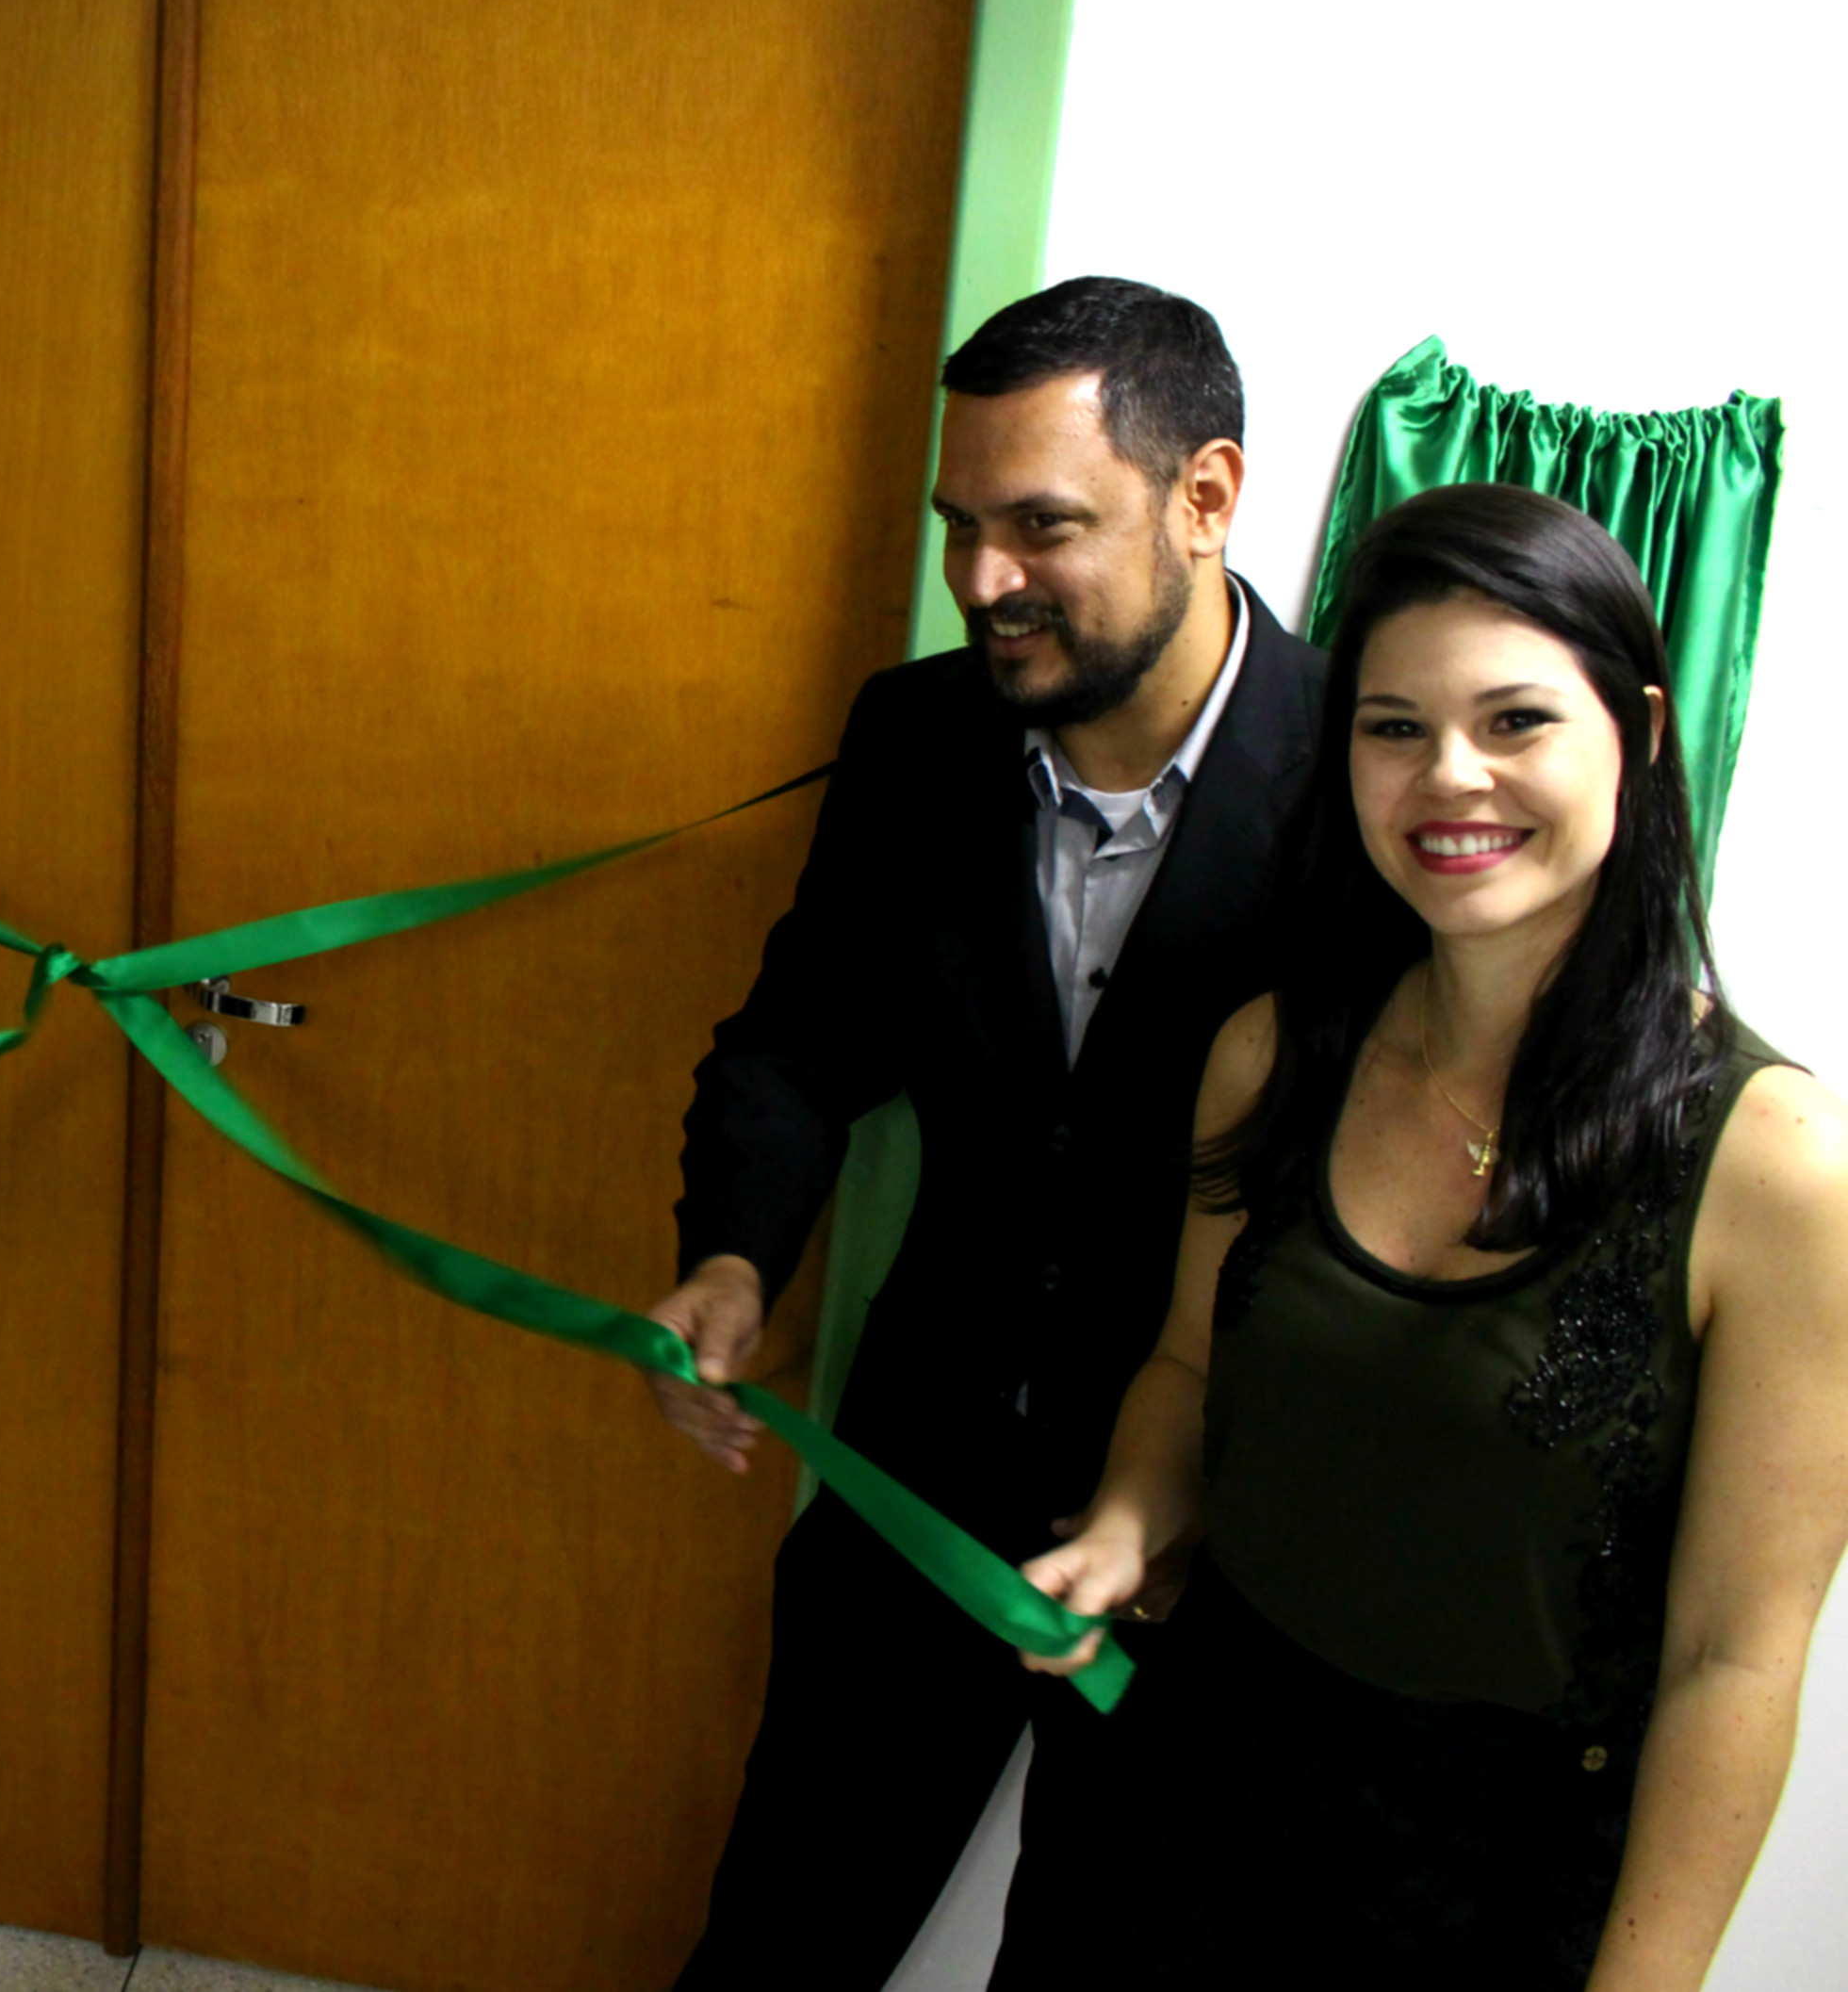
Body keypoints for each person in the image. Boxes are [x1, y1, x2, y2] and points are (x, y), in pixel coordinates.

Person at [1020, 484, 1848, 1991]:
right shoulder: (1271, 1054)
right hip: (1186, 1808)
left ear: (1639, 733)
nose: (1450, 775)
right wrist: (1128, 1525)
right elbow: (1188, 1372)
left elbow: (1734, 1658)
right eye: (1394, 726)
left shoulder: (1777, 1167)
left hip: (1499, 1889)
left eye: (1516, 720)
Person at [646, 276, 1325, 1988]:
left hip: (1214, 1537)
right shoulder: (915, 735)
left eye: (1041, 525)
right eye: (960, 524)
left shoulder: (1361, 776)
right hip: (921, 1467)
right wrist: (732, 1257)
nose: (981, 579)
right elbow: (799, 1040)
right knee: (780, 1934)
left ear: (1206, 496)